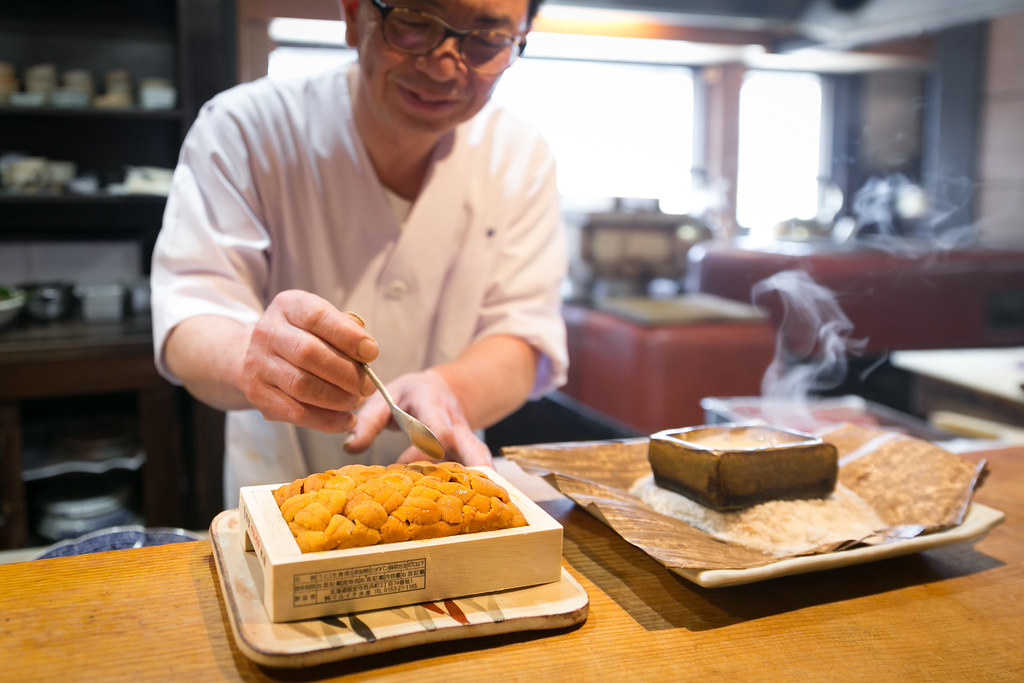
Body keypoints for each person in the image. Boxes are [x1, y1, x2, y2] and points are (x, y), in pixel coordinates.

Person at [150, 0, 567, 504]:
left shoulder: (520, 155)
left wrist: (452, 390)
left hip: (439, 489)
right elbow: (191, 315)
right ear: (354, 16)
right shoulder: (245, 128)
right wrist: (254, 358)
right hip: (278, 482)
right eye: (414, 22)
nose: (441, 65)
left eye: (486, 39)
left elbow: (522, 335)